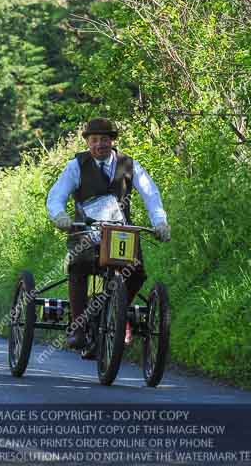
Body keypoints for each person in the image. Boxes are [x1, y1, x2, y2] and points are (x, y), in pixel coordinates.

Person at [46, 118, 171, 349]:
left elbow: (150, 194)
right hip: (85, 231)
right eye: (94, 140)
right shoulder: (76, 166)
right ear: (87, 142)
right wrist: (60, 216)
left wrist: (160, 222)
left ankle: (117, 312)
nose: (99, 145)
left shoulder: (129, 165)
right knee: (79, 266)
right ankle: (78, 327)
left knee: (136, 272)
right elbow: (56, 195)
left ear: (112, 141)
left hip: (120, 233)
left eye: (104, 139)